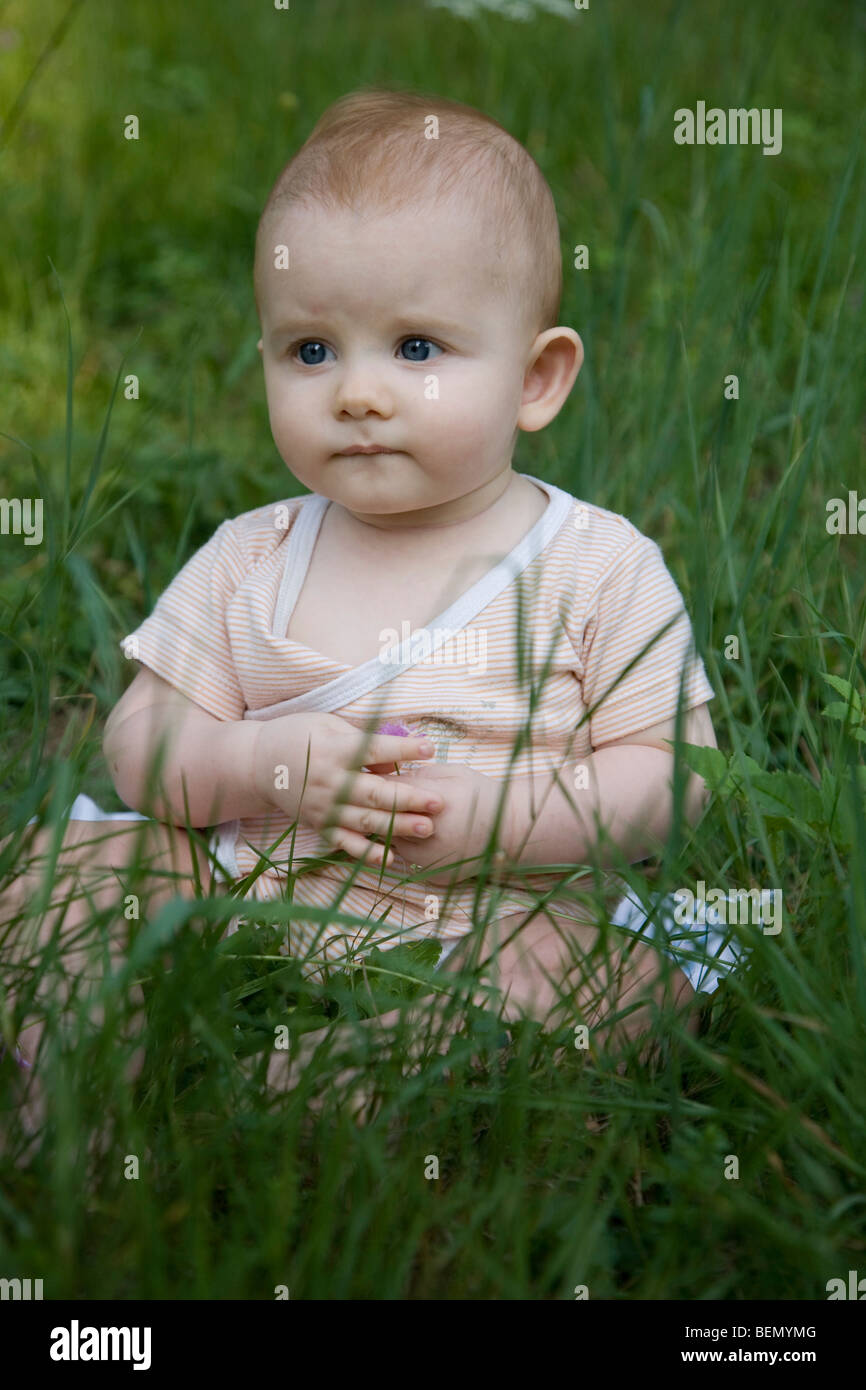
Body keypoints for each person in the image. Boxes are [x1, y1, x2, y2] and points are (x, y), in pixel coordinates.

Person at [1, 88, 742, 1125]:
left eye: (415, 349)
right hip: (243, 877)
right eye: (310, 350)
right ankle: (72, 1093)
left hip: (510, 901)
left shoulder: (597, 566)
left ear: (536, 378)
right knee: (68, 870)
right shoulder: (250, 555)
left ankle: (339, 1082)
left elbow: (673, 777)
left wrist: (495, 822)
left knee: (627, 977)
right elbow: (142, 743)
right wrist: (265, 761)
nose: (355, 392)